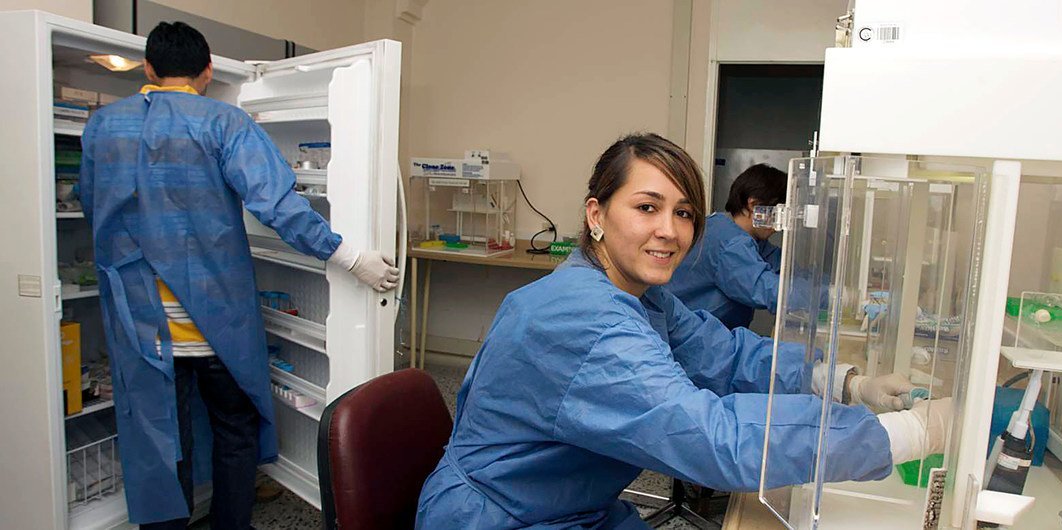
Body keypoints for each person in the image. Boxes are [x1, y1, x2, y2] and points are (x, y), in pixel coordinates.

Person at [415, 133, 951, 529]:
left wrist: (846, 383)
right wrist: (903, 435)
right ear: (596, 214)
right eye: (647, 207)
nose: (670, 231)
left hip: (569, 504)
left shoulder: (640, 296)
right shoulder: (584, 318)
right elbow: (712, 437)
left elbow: (728, 356)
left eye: (685, 212)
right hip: (502, 516)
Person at [79, 22, 398, 529]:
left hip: (140, 324)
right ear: (207, 71)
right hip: (215, 319)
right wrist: (351, 259)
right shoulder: (225, 123)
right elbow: (279, 207)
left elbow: (91, 205)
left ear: (148, 68)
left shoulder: (102, 126)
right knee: (233, 426)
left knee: (161, 437)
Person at [666, 163, 790, 331]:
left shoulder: (727, 226)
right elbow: (768, 291)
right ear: (753, 205)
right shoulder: (730, 243)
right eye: (776, 214)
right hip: (690, 338)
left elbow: (783, 263)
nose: (777, 225)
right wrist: (826, 296)